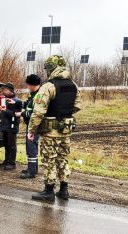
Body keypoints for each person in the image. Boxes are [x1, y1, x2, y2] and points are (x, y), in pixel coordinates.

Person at [27, 55, 81, 202]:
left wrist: (32, 130)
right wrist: (64, 114)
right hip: (66, 130)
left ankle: (49, 191)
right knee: (62, 158)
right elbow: (77, 105)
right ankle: (64, 190)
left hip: (51, 132)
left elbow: (38, 111)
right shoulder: (73, 85)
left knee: (49, 160)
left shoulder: (48, 86)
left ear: (51, 68)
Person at [15, 74, 41, 179]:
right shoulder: (34, 95)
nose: (27, 87)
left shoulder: (38, 96)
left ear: (32, 85)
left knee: (31, 147)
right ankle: (33, 168)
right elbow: (28, 106)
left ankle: (32, 171)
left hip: (33, 125)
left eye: (28, 84)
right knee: (31, 146)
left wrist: (20, 114)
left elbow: (34, 113)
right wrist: (17, 103)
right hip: (31, 124)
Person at [0, 82, 22, 170]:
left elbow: (15, 114)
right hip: (4, 126)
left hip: (12, 126)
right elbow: (2, 111)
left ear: (11, 91)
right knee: (6, 144)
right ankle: (7, 161)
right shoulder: (4, 99)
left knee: (12, 145)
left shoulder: (17, 101)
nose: (4, 91)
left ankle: (12, 163)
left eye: (6, 89)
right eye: (3, 89)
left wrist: (5, 110)